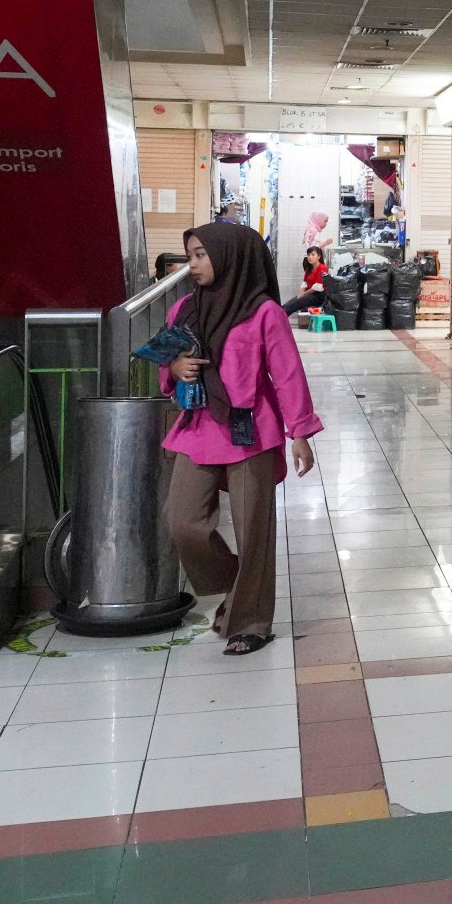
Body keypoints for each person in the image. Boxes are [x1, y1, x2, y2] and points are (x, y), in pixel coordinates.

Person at [162, 222, 321, 655]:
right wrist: (174, 370)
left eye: (200, 255)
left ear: (230, 257)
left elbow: (287, 375)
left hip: (250, 430)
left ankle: (250, 620)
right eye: (190, 255)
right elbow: (167, 361)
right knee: (183, 520)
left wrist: (300, 432)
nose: (191, 265)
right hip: (198, 427)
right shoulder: (183, 312)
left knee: (254, 531)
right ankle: (240, 582)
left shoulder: (264, 312)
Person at [281, 246, 327, 316]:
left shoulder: (322, 268)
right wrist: (300, 294)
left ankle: (279, 316)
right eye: (308, 255)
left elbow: (318, 287)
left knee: (297, 302)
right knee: (292, 302)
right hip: (310, 294)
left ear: (319, 256)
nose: (310, 257)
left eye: (313, 254)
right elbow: (304, 283)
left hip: (319, 296)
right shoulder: (309, 269)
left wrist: (304, 294)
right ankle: (280, 314)